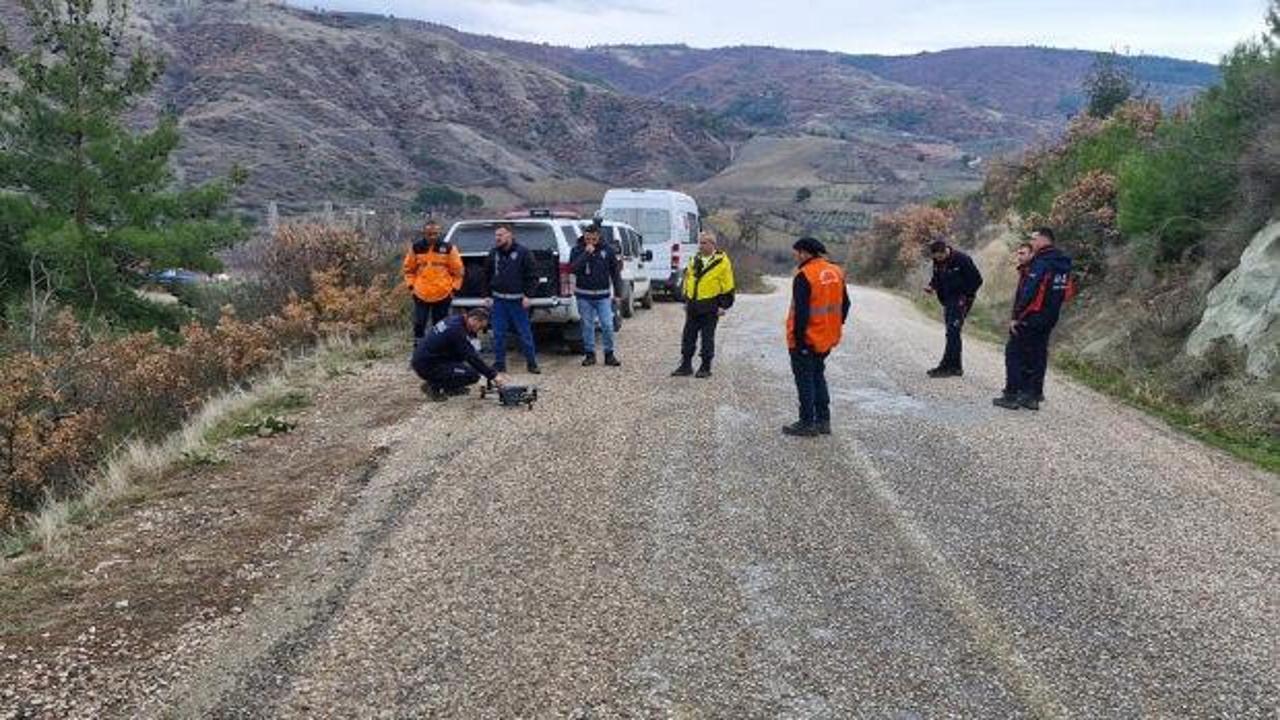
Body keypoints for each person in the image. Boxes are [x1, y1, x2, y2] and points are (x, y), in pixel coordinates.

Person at [995, 228, 1073, 411]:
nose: (1032, 243)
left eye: (1034, 239)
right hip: (1051, 316)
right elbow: (1067, 292)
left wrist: (1016, 316)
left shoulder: (1041, 262)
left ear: (1042, 240)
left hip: (1032, 315)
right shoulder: (1063, 262)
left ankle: (1012, 395)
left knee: (1014, 352)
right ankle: (1032, 396)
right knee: (1038, 354)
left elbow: (1030, 291)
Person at [783, 237, 851, 437]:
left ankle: (807, 423)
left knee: (805, 380)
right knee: (818, 376)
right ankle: (823, 420)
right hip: (827, 337)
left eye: (796, 252)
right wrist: (834, 325)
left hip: (807, 338)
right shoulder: (836, 271)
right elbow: (846, 304)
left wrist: (799, 341)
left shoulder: (805, 275)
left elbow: (801, 313)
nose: (795, 256)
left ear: (805, 253)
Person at [671, 231, 735, 379]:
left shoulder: (722, 262)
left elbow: (728, 286)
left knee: (707, 338)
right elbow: (688, 279)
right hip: (693, 305)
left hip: (710, 306)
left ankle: (705, 366)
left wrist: (723, 305)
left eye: (704, 243)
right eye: (700, 242)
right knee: (688, 336)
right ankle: (686, 365)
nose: (701, 245)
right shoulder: (694, 259)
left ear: (713, 245)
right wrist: (686, 299)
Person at [411, 308, 509, 402]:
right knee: (472, 375)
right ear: (474, 319)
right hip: (427, 365)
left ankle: (451, 388)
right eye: (480, 327)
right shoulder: (456, 331)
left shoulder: (456, 320)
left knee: (464, 362)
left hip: (428, 358)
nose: (479, 330)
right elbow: (471, 357)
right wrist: (493, 376)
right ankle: (433, 386)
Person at [484, 223, 540, 374]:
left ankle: (532, 363)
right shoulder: (493, 253)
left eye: (501, 235)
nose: (497, 238)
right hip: (499, 302)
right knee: (498, 334)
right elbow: (486, 275)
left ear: (510, 235)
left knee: (524, 334)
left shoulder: (523, 253)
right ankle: (499, 364)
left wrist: (528, 295)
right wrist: (487, 295)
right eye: (496, 235)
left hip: (517, 302)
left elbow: (533, 277)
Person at [923, 239, 983, 377]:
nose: (938, 259)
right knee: (951, 333)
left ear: (945, 251)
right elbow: (937, 276)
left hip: (961, 301)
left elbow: (977, 280)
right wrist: (932, 286)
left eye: (940, 256)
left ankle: (948, 367)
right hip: (948, 300)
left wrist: (965, 296)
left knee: (953, 332)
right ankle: (954, 367)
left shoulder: (962, 259)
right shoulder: (937, 260)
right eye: (935, 258)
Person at [568, 222, 624, 367]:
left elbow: (615, 273)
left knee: (607, 324)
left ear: (598, 237)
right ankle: (590, 354)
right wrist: (586, 253)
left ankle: (609, 354)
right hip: (584, 296)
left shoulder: (608, 250)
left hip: (603, 296)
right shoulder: (576, 250)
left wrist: (618, 293)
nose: (590, 242)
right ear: (584, 237)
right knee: (587, 326)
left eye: (593, 239)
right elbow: (573, 268)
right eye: (588, 239)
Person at [402, 220, 464, 342]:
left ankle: (439, 349)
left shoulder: (448, 248)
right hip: (421, 293)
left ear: (439, 233)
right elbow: (408, 270)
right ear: (424, 233)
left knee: (440, 325)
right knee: (419, 324)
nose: (433, 236)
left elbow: (459, 271)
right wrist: (411, 287)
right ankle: (418, 349)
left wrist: (454, 289)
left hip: (443, 293)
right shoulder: (416, 248)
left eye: (435, 233)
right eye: (429, 234)